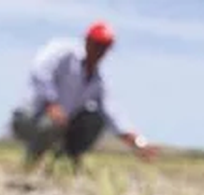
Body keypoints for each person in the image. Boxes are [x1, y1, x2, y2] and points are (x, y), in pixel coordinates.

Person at [10, 21, 157, 170]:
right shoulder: (63, 51)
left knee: (94, 118)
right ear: (87, 40)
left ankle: (63, 163)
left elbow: (113, 114)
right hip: (29, 117)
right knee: (51, 122)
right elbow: (40, 71)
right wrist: (51, 102)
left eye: (105, 47)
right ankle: (29, 164)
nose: (100, 50)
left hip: (61, 126)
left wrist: (138, 142)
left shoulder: (98, 81)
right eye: (98, 44)